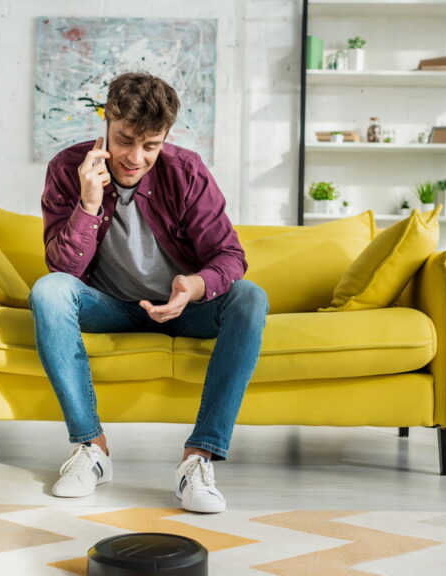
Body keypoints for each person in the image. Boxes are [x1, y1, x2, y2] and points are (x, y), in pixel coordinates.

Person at [30, 72, 268, 513]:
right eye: (124, 140)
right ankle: (91, 450)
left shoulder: (186, 170)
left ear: (165, 139)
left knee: (250, 297)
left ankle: (198, 460)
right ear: (107, 124)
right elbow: (63, 269)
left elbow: (229, 256)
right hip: (108, 307)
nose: (135, 157)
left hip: (182, 309)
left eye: (150, 145)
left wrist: (194, 286)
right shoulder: (68, 169)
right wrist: (87, 203)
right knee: (49, 291)